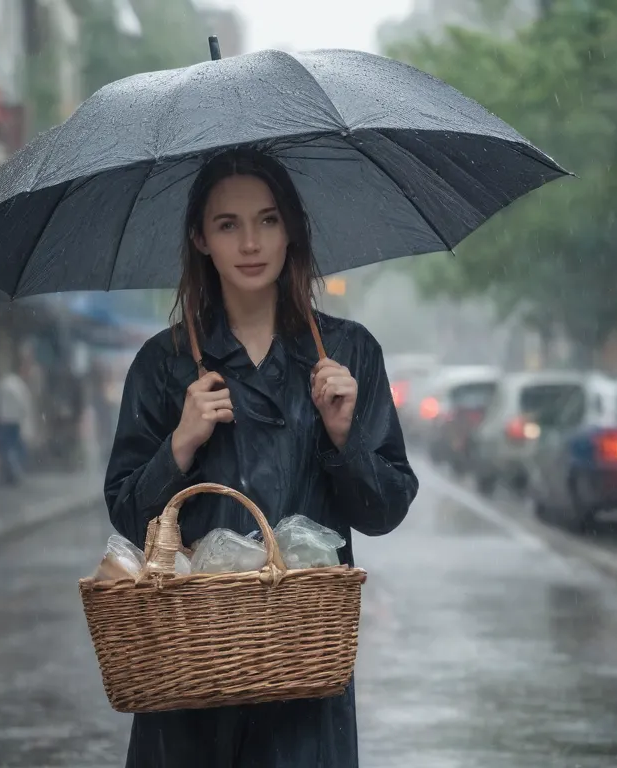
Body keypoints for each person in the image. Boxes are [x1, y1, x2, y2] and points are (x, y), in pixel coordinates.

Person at [104, 148, 419, 768]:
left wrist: (343, 437)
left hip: (305, 678)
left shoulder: (348, 355)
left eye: (268, 220)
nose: (251, 242)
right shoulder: (164, 365)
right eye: (228, 224)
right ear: (201, 238)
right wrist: (180, 444)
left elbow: (384, 509)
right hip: (190, 679)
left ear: (291, 229)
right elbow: (125, 510)